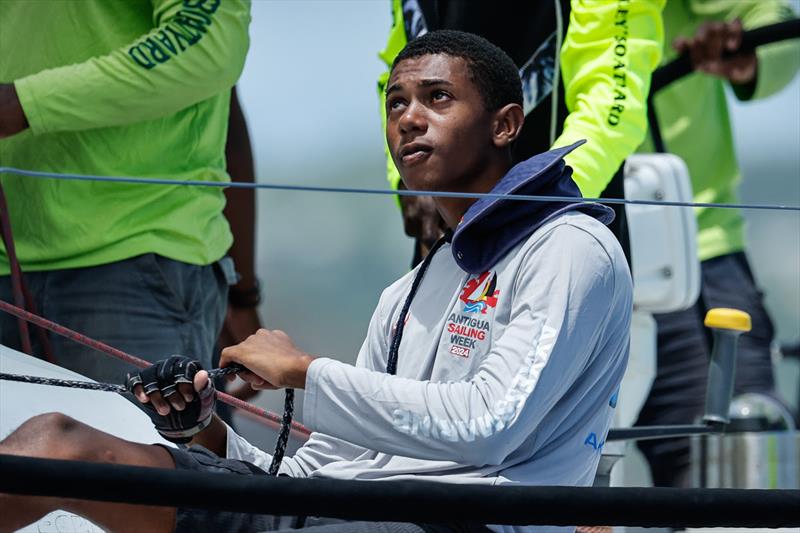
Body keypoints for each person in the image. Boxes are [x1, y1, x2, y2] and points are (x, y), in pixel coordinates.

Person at [0, 31, 633, 533]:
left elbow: (490, 427)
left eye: (437, 98)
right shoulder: (409, 288)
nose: (409, 119)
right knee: (56, 444)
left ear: (504, 125)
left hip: (461, 520)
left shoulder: (571, 248)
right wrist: (202, 426)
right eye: (395, 104)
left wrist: (304, 370)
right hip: (336, 507)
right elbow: (312, 469)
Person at [0, 0, 252, 383]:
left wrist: (22, 103)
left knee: (138, 443)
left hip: (134, 258)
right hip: (13, 265)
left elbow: (207, 46)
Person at [634, 0, 800, 488]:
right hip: (517, 258)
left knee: (733, 485)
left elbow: (773, 21)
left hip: (691, 259)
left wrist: (747, 55)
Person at [376, 0, 665, 265]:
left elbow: (612, 104)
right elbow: (396, 71)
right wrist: (407, 186)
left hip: (560, 239)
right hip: (447, 242)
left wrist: (534, 207)